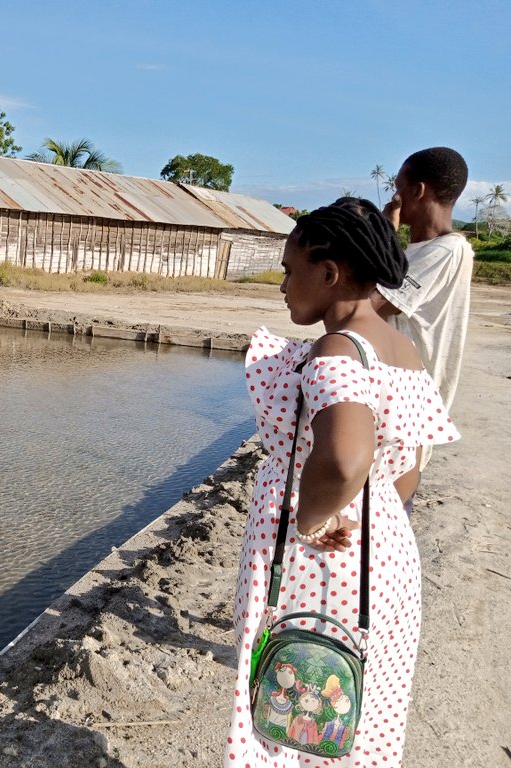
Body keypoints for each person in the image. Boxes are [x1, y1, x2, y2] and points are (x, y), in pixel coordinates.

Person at [225, 198, 459, 767]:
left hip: (323, 564)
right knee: (353, 712)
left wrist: (308, 523)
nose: (282, 284)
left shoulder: (339, 347)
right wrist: (366, 517)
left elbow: (345, 460)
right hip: (383, 555)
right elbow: (406, 468)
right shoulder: (401, 350)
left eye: (288, 269)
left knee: (292, 712)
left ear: (329, 274)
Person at [372, 147, 473, 417]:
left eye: (398, 187)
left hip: (405, 406)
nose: (394, 196)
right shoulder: (419, 251)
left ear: (417, 191)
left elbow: (369, 307)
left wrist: (384, 237)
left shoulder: (446, 250)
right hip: (392, 396)